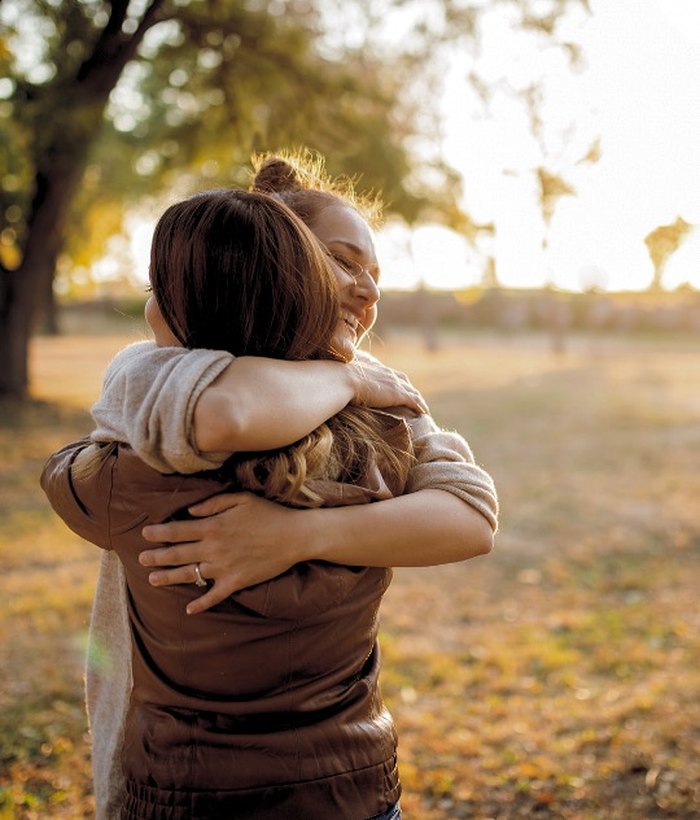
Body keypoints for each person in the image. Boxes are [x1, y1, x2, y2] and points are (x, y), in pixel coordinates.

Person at [43, 155, 498, 819]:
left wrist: (296, 533)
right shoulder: (384, 432)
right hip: (351, 786)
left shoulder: (134, 465)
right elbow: (468, 514)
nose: (368, 290)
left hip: (185, 790)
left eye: (375, 274)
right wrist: (347, 383)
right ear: (274, 260)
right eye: (344, 262)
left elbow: (69, 473)